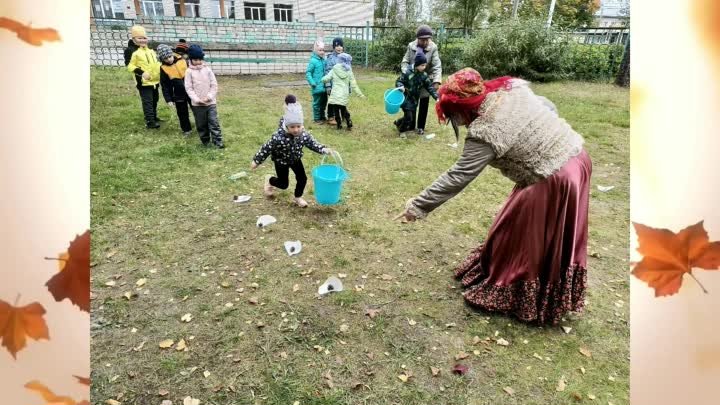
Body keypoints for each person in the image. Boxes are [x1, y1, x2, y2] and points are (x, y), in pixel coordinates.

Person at [396, 68, 592, 325]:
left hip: (554, 177)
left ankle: (519, 293)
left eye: (454, 116)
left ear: (462, 109)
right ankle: (510, 278)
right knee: (511, 223)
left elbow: (459, 175)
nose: (458, 122)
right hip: (577, 158)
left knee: (526, 238)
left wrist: (418, 206)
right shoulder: (509, 91)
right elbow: (547, 106)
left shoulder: (486, 132)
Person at [251, 95, 334, 208]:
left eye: (298, 126)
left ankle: (297, 197)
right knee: (283, 184)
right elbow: (266, 148)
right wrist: (257, 160)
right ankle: (270, 180)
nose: (296, 129)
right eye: (292, 127)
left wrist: (323, 149)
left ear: (301, 125)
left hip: (295, 159)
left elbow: (312, 143)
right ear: (286, 126)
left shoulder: (303, 134)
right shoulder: (278, 137)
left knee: (302, 178)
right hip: (281, 161)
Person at [400, 25, 442, 136]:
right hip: (412, 80)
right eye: (423, 39)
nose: (426, 41)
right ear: (418, 38)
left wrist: (436, 80)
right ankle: (410, 124)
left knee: (424, 103)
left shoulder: (433, 47)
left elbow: (437, 65)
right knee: (412, 103)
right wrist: (407, 74)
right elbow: (405, 61)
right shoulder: (411, 46)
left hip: (425, 79)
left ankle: (421, 127)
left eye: (427, 39)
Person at [184, 44, 225, 148]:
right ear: (191, 59)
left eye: (200, 59)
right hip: (197, 105)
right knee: (201, 125)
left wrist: (209, 97)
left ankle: (218, 141)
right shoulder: (188, 72)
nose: (198, 62)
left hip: (210, 103)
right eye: (195, 59)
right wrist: (197, 100)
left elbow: (214, 85)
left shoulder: (208, 70)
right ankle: (205, 142)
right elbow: (189, 88)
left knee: (214, 123)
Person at [124, 25, 162, 129]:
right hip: (143, 82)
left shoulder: (149, 50)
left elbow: (155, 63)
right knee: (148, 101)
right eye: (139, 38)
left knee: (155, 99)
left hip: (154, 81)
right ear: (134, 39)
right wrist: (141, 73)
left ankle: (154, 116)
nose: (142, 40)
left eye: (144, 38)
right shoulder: (131, 51)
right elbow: (129, 65)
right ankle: (150, 121)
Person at [394, 50, 439, 137]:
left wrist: (436, 97)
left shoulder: (424, 75)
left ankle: (398, 122)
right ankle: (402, 131)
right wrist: (400, 86)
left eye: (425, 65)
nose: (424, 67)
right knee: (409, 117)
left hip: (415, 100)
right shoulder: (407, 72)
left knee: (408, 117)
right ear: (417, 64)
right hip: (406, 98)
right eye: (422, 65)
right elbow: (399, 81)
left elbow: (429, 87)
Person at [322, 53, 365, 131]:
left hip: (335, 94)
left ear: (339, 60)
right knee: (343, 108)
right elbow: (354, 84)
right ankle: (348, 121)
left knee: (336, 110)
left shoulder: (334, 69)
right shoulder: (349, 71)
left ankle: (339, 125)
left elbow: (327, 78)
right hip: (344, 94)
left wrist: (322, 79)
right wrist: (360, 94)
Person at [157, 44, 193, 135]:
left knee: (197, 108)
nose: (169, 59)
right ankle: (186, 129)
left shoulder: (183, 60)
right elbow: (165, 85)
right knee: (182, 113)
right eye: (165, 58)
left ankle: (203, 125)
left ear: (172, 54)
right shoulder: (164, 68)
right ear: (161, 59)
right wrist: (168, 99)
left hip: (190, 91)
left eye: (169, 56)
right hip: (178, 94)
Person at [306, 40, 328, 124]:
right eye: (320, 50)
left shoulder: (324, 60)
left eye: (323, 50)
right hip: (316, 86)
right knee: (317, 103)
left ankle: (322, 116)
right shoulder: (313, 61)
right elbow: (308, 73)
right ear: (315, 50)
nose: (322, 52)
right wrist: (312, 82)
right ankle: (317, 118)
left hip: (324, 87)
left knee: (324, 103)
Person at [324, 37, 345, 125]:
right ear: (333, 47)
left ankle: (343, 115)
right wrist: (328, 86)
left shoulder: (345, 57)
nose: (339, 47)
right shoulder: (330, 58)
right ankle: (331, 117)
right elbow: (327, 72)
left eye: (340, 45)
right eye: (337, 46)